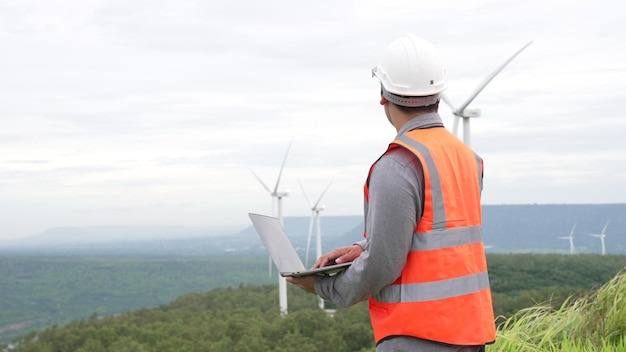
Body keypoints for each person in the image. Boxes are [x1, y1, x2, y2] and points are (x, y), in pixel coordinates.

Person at [287, 34, 496, 352]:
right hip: (470, 332)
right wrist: (364, 246)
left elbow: (382, 265)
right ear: (439, 91)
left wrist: (322, 285)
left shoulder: (398, 165)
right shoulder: (470, 159)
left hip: (419, 335)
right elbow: (434, 234)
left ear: (383, 95)